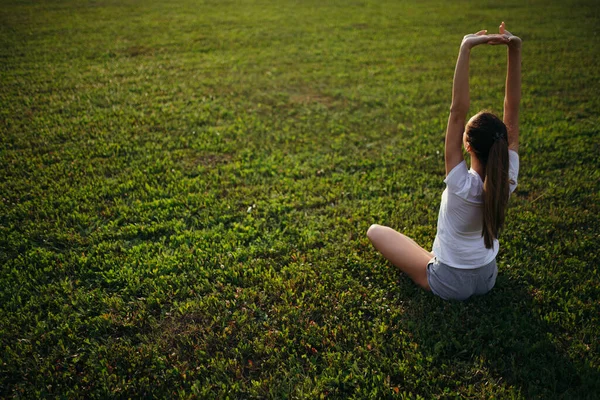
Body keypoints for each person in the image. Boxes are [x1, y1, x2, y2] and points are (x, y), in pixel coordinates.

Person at [367, 22, 522, 300]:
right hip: (488, 276)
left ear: (467, 145)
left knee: (375, 231)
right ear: (502, 143)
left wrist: (466, 47)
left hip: (450, 283)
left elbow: (456, 110)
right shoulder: (508, 177)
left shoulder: (461, 183)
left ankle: (433, 260)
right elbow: (512, 108)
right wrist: (515, 49)